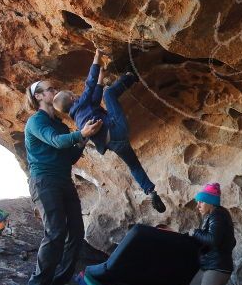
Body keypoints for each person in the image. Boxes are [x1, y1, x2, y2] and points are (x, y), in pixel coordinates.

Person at [52, 49, 166, 212]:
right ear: (72, 98)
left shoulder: (79, 116)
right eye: (72, 93)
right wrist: (96, 58)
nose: (75, 94)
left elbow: (95, 98)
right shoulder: (81, 104)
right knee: (110, 93)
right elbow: (90, 85)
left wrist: (101, 77)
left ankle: (150, 191)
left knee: (134, 166)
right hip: (117, 129)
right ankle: (131, 76)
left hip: (114, 144)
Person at [22, 79, 103, 285]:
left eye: (55, 88)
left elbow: (68, 158)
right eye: (49, 90)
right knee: (56, 231)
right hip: (44, 181)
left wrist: (83, 139)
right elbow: (56, 142)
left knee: (76, 233)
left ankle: (58, 284)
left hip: (63, 180)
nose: (55, 92)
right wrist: (80, 133)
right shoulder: (36, 121)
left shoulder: (60, 125)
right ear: (38, 96)